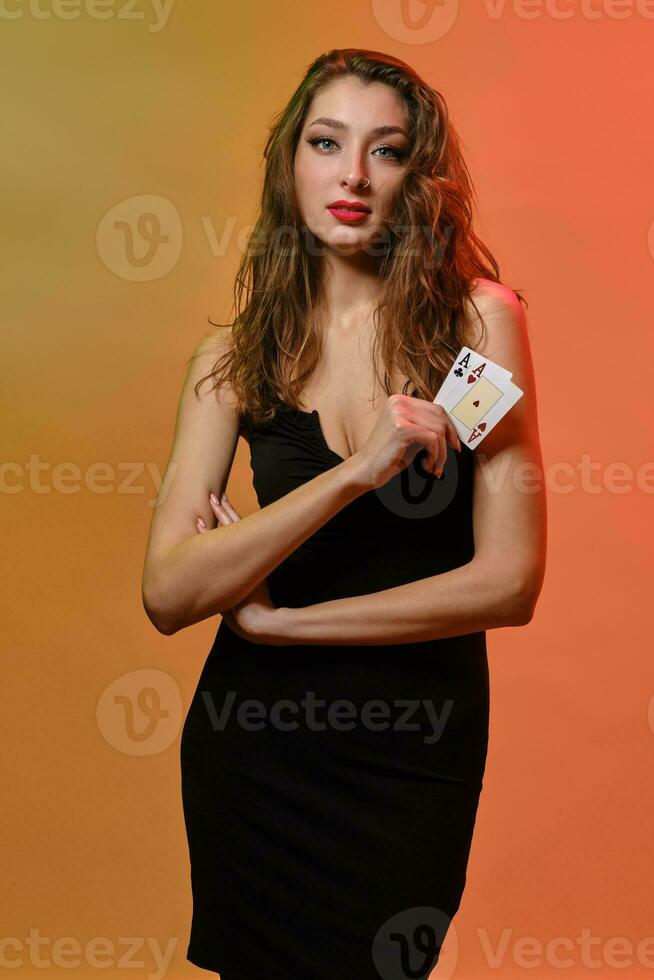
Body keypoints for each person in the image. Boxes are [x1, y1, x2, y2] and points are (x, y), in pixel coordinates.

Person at [142, 47, 547, 980]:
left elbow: (510, 581)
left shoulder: (480, 327)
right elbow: (168, 593)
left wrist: (287, 626)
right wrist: (356, 474)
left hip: (414, 749)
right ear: (293, 162)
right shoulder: (231, 360)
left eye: (387, 150)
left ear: (418, 175)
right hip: (255, 753)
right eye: (328, 143)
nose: (354, 175)